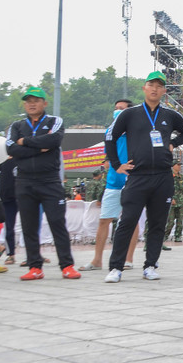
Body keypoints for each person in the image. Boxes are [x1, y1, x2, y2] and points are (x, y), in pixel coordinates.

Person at [104, 72, 183, 283]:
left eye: (159, 86)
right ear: (144, 88)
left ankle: (151, 265)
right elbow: (110, 137)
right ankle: (116, 267)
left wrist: (173, 143)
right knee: (127, 222)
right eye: (151, 85)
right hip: (137, 176)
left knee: (157, 224)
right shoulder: (130, 114)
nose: (154, 89)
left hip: (163, 176)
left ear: (164, 91)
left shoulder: (169, 115)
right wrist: (117, 164)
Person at [6, 87, 80, 281]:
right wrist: (40, 148)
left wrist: (25, 142)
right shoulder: (16, 126)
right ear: (24, 104)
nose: (32, 103)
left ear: (44, 103)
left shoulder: (55, 121)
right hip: (24, 181)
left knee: (57, 224)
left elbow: (54, 140)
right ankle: (34, 267)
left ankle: (67, 265)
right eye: (28, 100)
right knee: (29, 226)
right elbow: (11, 149)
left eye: (36, 100)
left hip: (50, 181)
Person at [79, 101, 140, 271]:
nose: (118, 111)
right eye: (116, 108)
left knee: (131, 220)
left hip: (132, 181)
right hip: (113, 183)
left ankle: (128, 259)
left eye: (122, 109)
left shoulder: (136, 131)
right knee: (104, 220)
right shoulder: (110, 131)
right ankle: (97, 260)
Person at [162, 161, 183, 249]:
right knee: (170, 221)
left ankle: (178, 236)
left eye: (180, 165)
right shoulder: (169, 176)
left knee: (180, 221)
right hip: (172, 201)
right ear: (173, 166)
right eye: (178, 165)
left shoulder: (182, 177)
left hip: (180, 200)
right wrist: (170, 197)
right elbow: (166, 188)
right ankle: (165, 236)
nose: (179, 167)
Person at [0, 156, 18, 266]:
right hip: (7, 196)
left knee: (30, 226)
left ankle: (34, 254)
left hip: (24, 194)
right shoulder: (1, 157)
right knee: (9, 227)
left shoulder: (23, 153)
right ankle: (11, 254)